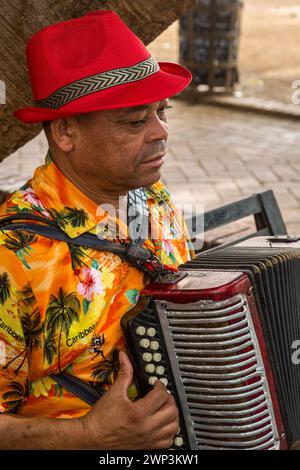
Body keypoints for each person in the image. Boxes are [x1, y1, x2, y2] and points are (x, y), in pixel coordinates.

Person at [0, 10, 194, 449]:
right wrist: (89, 435)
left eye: (162, 112)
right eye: (135, 121)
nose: (161, 132)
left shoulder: (152, 195)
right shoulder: (12, 253)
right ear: (66, 132)